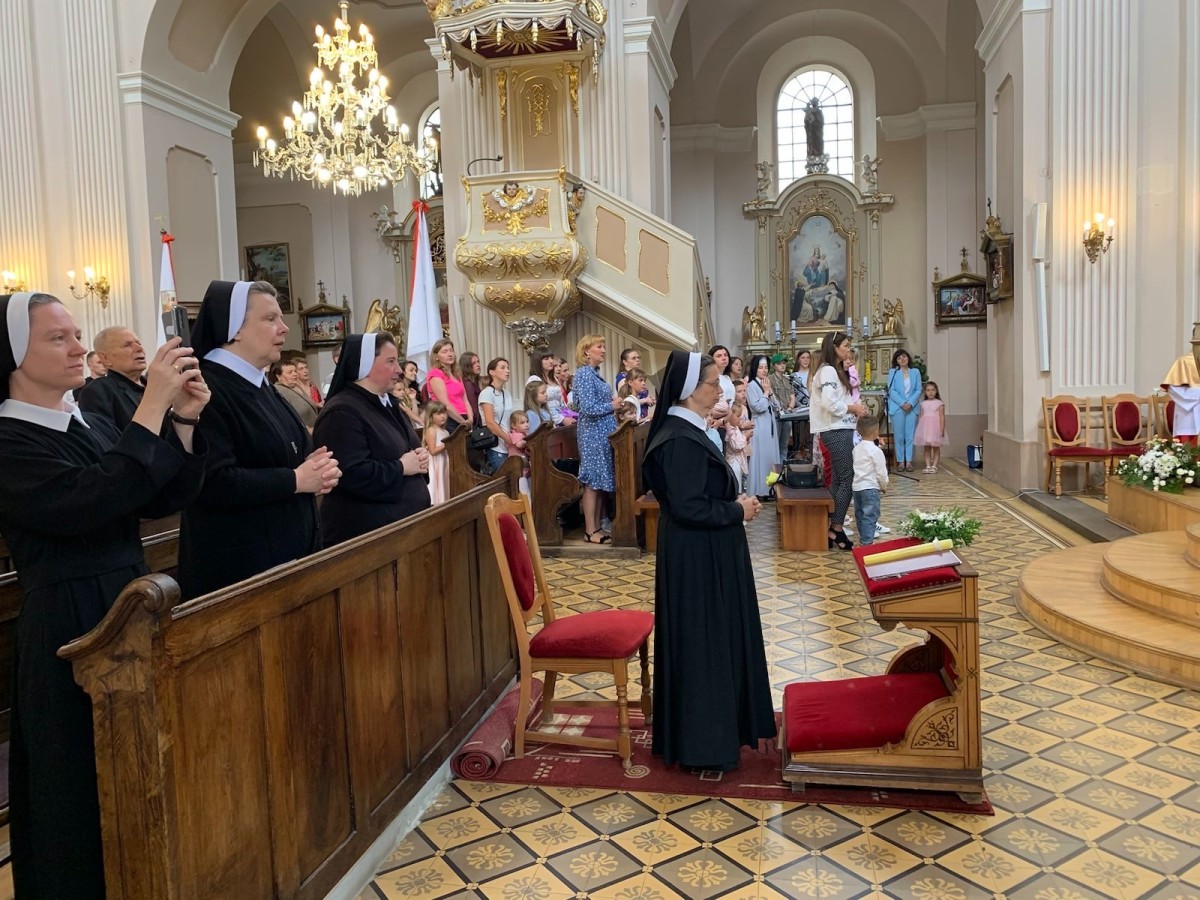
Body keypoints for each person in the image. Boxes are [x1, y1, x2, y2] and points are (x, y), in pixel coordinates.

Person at [0, 291, 209, 899]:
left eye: (76, 334)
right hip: (69, 621)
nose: (77, 347)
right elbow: (88, 502)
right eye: (57, 337)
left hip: (126, 599)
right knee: (77, 780)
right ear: (13, 353)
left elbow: (153, 496)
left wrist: (183, 420)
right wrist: (152, 404)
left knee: (137, 768)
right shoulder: (10, 439)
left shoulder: (84, 420)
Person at [641, 349, 774, 770]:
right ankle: (705, 743)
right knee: (704, 644)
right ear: (689, 390)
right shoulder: (679, 439)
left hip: (706, 550)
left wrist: (733, 504)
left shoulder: (689, 430)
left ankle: (722, 731)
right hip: (697, 558)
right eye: (713, 384)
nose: (720, 390)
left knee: (714, 639)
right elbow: (688, 507)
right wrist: (737, 511)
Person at [177, 280, 341, 599]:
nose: (284, 328)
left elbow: (276, 455)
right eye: (270, 318)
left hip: (285, 559)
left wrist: (313, 468)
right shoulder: (205, 388)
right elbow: (212, 481)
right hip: (242, 573)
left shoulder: (260, 384)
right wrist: (295, 479)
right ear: (235, 328)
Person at [311, 332, 431, 545]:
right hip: (368, 538)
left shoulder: (387, 402)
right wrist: (401, 467)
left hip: (403, 530)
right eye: (390, 361)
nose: (399, 370)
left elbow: (404, 450)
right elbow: (349, 474)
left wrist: (419, 458)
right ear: (365, 364)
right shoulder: (342, 412)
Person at [811, 331, 868, 550]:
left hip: (841, 427)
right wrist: (853, 408)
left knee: (837, 479)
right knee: (848, 477)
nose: (848, 349)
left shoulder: (834, 370)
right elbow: (830, 404)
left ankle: (829, 527)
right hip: (835, 428)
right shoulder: (827, 371)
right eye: (845, 345)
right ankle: (835, 527)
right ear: (833, 347)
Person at [575, 334, 621, 543]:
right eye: (599, 346)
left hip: (601, 433)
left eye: (604, 346)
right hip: (592, 434)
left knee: (600, 481)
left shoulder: (594, 374)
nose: (603, 350)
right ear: (587, 351)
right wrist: (612, 405)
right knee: (593, 481)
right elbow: (587, 408)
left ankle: (597, 527)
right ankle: (590, 530)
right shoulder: (584, 374)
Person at [76, 326, 148, 430]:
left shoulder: (155, 386)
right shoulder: (98, 392)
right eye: (127, 345)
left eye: (139, 343)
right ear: (105, 358)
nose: (139, 349)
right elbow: (104, 437)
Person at [745, 354, 780, 501]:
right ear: (755, 368)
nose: (764, 370)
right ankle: (760, 490)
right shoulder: (751, 386)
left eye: (766, 367)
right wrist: (765, 393)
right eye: (761, 367)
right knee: (761, 458)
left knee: (771, 457)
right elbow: (758, 407)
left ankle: (771, 488)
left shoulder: (766, 384)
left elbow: (777, 406)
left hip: (770, 425)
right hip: (759, 425)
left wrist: (770, 392)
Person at [852, 416, 889, 545]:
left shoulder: (856, 449)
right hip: (870, 488)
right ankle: (867, 544)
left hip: (857, 488)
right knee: (870, 516)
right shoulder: (876, 451)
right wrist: (884, 485)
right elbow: (881, 472)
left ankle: (863, 540)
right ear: (875, 432)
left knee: (860, 515)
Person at [887, 349, 922, 472]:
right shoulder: (893, 372)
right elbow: (891, 390)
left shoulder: (915, 372)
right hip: (898, 407)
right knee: (899, 436)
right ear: (896, 361)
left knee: (910, 435)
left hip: (912, 408)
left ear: (908, 357)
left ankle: (909, 461)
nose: (902, 359)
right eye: (899, 358)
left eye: (904, 356)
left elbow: (918, 389)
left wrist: (910, 403)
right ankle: (901, 461)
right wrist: (902, 403)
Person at [479, 357, 515, 474]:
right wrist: (507, 439)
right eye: (503, 368)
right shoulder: (487, 393)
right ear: (492, 372)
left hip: (509, 445)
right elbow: (490, 422)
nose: (507, 371)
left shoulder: (507, 393)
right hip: (496, 445)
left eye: (508, 368)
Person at [426, 339, 471, 431]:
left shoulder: (456, 373)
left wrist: (470, 418)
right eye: (445, 352)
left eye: (451, 350)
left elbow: (465, 399)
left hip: (464, 417)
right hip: (450, 419)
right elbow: (445, 404)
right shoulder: (435, 374)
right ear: (436, 357)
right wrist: (463, 422)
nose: (450, 354)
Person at [273, 359, 320, 432]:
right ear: (279, 376)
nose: (295, 374)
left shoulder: (296, 386)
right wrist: (306, 430)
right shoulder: (278, 391)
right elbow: (285, 418)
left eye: (295, 371)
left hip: (316, 430)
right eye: (290, 372)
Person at [768, 353, 796, 459]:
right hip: (776, 415)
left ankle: (783, 466)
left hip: (787, 414)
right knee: (775, 443)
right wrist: (779, 410)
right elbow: (769, 397)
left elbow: (792, 396)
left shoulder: (787, 379)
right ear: (774, 365)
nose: (782, 365)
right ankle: (775, 467)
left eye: (784, 363)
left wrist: (789, 408)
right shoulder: (769, 379)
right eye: (779, 363)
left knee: (784, 444)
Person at [916, 381, 947, 473]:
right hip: (926, 429)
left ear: (936, 391)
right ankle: (928, 465)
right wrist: (920, 431)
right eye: (928, 390)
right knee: (927, 448)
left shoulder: (939, 403)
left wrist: (942, 429)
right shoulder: (923, 404)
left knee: (936, 447)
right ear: (925, 392)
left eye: (933, 390)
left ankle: (934, 466)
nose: (931, 392)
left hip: (935, 428)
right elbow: (921, 417)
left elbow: (942, 417)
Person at [423, 401, 451, 505]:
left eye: (444, 413)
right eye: (438, 414)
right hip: (436, 462)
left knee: (444, 481)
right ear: (431, 416)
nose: (443, 416)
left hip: (444, 460)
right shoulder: (431, 430)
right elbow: (433, 450)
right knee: (437, 483)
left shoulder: (445, 432)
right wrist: (448, 444)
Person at [724, 399, 751, 494]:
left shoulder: (736, 428)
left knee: (740, 485)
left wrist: (746, 439)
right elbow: (736, 445)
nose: (740, 419)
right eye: (738, 416)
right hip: (733, 463)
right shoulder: (730, 431)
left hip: (739, 462)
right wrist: (746, 437)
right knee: (736, 486)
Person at [790, 349, 813, 458]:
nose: (806, 360)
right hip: (800, 410)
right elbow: (792, 393)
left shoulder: (814, 374)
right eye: (803, 358)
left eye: (808, 357)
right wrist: (801, 406)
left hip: (814, 408)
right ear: (798, 360)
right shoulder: (794, 376)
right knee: (800, 436)